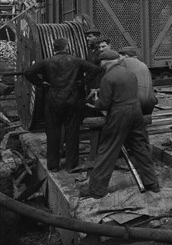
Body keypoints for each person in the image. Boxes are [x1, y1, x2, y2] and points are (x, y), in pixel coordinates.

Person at [80, 49, 159, 199]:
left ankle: (96, 190)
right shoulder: (129, 73)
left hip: (119, 115)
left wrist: (95, 102)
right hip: (136, 112)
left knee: (107, 150)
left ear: (104, 62)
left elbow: (104, 104)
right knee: (140, 147)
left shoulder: (108, 78)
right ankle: (152, 183)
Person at [23, 38, 100, 172]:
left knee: (53, 133)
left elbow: (28, 72)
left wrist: (41, 84)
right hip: (73, 100)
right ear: (67, 47)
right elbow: (95, 69)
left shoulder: (46, 62)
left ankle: (53, 166)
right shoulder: (76, 60)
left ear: (54, 48)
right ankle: (71, 165)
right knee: (72, 132)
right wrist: (82, 81)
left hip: (53, 100)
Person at [118, 46, 157, 115]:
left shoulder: (125, 61)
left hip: (135, 103)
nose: (118, 59)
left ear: (126, 56)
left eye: (120, 56)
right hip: (150, 102)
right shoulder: (143, 64)